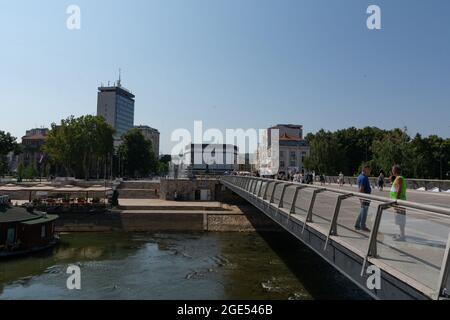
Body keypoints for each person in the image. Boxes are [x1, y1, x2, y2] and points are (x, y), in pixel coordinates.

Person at [390, 165, 407, 241]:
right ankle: (401, 234)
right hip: (398, 202)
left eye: (392, 170)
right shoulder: (397, 178)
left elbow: (399, 189)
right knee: (399, 218)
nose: (391, 171)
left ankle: (402, 235)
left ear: (394, 171)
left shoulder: (399, 178)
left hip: (399, 202)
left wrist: (396, 200)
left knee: (400, 218)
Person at [355, 164, 372, 232]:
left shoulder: (360, 176)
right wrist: (362, 199)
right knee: (364, 212)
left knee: (362, 211)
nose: (370, 171)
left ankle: (357, 224)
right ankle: (363, 226)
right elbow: (361, 189)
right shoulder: (364, 177)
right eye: (369, 169)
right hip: (365, 197)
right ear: (364, 169)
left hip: (363, 197)